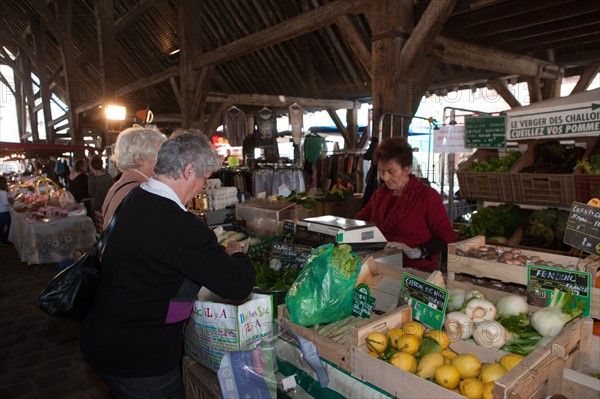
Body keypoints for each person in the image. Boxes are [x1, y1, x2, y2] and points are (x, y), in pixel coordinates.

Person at [80, 133, 255, 399]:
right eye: (203, 179)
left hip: (105, 336)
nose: (202, 187)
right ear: (188, 170)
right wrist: (239, 255)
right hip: (139, 357)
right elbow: (237, 284)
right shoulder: (180, 225)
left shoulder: (136, 196)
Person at [355, 137, 455, 272]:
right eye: (381, 171)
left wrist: (419, 251)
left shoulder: (427, 196)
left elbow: (447, 237)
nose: (385, 177)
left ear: (408, 168)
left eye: (391, 171)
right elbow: (359, 222)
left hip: (416, 272)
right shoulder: (380, 194)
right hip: (381, 266)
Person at [101, 125, 167, 229]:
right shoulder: (142, 191)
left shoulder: (118, 186)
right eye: (160, 155)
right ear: (140, 159)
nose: (165, 160)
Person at [0, 176, 11, 244]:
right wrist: (10, 201)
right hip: (4, 211)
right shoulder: (3, 191)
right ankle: (5, 239)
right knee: (10, 225)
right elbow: (5, 203)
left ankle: (1, 239)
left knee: (1, 226)